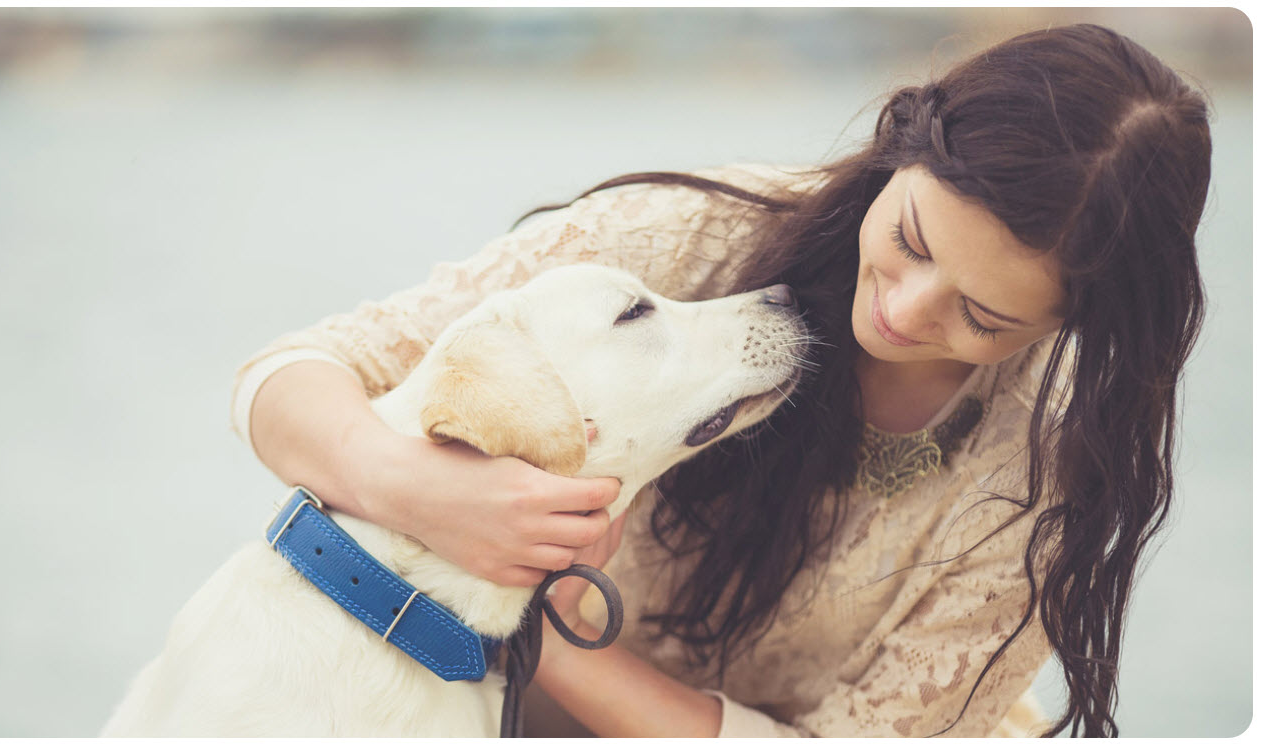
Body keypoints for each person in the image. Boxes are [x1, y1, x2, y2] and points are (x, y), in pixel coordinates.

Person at [230, 24, 1211, 737]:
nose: (906, 313)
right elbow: (290, 375)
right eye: (910, 242)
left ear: (1071, 325)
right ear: (904, 144)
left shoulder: (1050, 469)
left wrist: (547, 634)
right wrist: (415, 491)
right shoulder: (685, 240)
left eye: (984, 317)